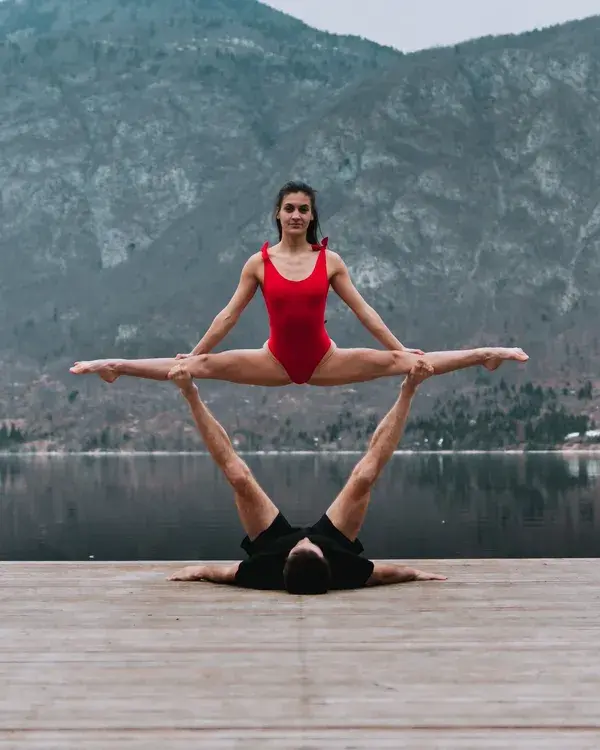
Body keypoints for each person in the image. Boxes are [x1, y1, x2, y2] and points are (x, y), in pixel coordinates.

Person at [70, 181, 528, 387]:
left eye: (303, 209)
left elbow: (363, 310)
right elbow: (229, 313)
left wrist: (400, 347)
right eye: (288, 208)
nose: (295, 215)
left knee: (405, 363)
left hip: (325, 360)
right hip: (273, 361)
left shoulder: (329, 260)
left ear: (312, 216)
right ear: (278, 214)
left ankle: (486, 355)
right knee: (194, 367)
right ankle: (115, 365)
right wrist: (196, 351)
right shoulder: (258, 262)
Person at [166, 361, 446, 593]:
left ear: (286, 559)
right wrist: (419, 574)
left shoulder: (260, 571)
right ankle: (408, 388)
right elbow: (390, 574)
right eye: (309, 545)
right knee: (365, 476)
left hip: (272, 544)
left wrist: (197, 570)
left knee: (238, 477)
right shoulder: (349, 571)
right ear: (325, 557)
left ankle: (189, 392)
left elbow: (219, 573)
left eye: (301, 546)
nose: (304, 539)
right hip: (334, 541)